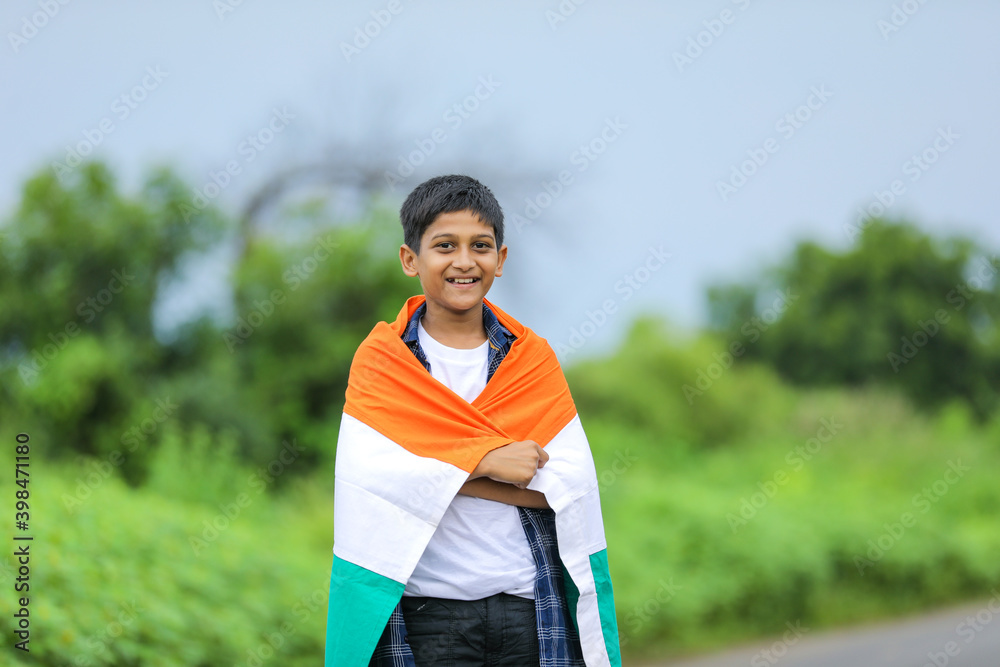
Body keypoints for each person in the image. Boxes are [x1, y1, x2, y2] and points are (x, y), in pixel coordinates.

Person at [325, 175, 621, 667]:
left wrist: (439, 466)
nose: (464, 261)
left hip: (528, 609)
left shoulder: (530, 359)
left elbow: (569, 485)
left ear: (500, 260)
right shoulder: (384, 361)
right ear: (410, 259)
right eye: (445, 246)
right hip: (428, 614)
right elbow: (371, 479)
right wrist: (488, 461)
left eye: (480, 246)